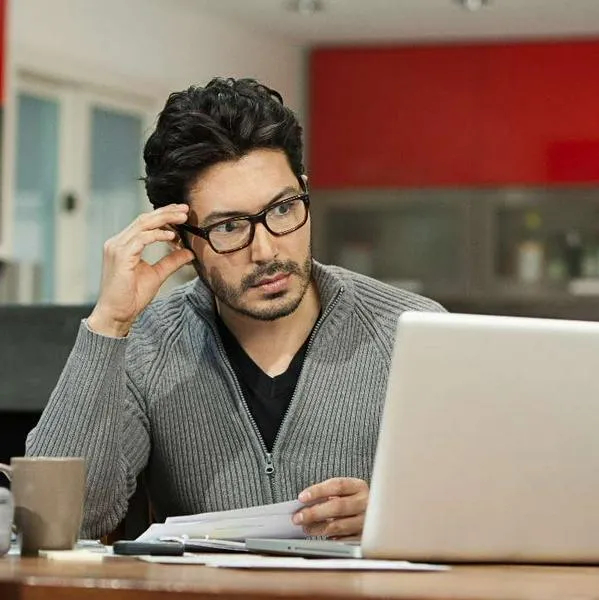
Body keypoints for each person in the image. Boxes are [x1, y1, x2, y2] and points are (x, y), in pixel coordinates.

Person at [26, 77, 444, 540]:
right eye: (229, 227)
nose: (266, 250)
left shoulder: (412, 334)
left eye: (283, 209)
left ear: (304, 191)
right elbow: (56, 521)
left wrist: (401, 514)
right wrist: (110, 322)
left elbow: (489, 504)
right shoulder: (148, 344)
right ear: (182, 239)